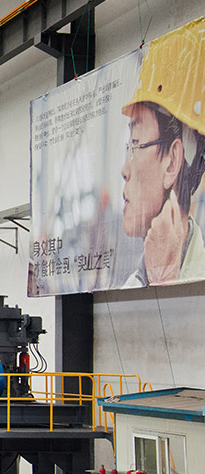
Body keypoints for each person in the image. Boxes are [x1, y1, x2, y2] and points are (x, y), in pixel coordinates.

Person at [120, 18, 205, 287]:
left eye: (136, 143)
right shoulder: (135, 282)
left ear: (172, 162)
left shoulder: (196, 278)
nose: (124, 170)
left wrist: (164, 279)